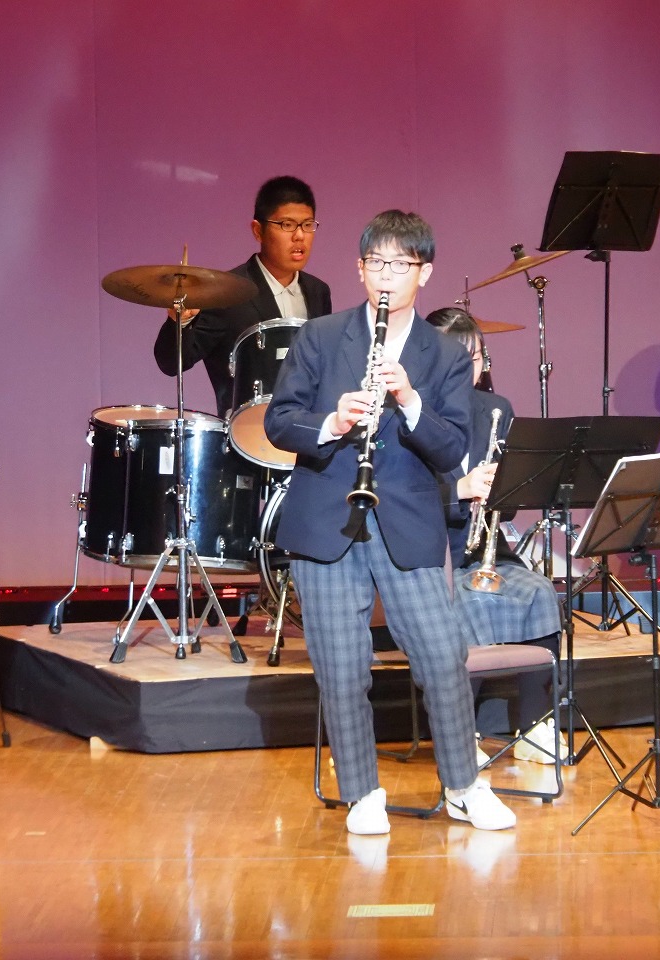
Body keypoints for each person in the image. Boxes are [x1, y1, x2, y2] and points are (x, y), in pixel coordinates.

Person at [264, 210, 516, 835]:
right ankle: (361, 793)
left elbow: (451, 447)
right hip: (326, 518)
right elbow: (279, 421)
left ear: (424, 273)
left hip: (406, 518)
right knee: (341, 666)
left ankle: (464, 786)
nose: (386, 275)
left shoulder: (445, 354)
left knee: (442, 656)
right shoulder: (321, 336)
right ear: (359, 268)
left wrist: (409, 400)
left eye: (400, 265)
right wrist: (331, 423)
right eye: (376, 263)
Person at [426, 307, 564, 765]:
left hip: (486, 550)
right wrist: (460, 490)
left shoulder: (496, 409)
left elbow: (514, 501)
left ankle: (534, 725)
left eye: (475, 358)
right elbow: (396, 499)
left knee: (540, 592)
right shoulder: (407, 415)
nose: (468, 369)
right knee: (466, 602)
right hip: (430, 554)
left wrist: (504, 490)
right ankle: (458, 732)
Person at [152, 175, 332, 415]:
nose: (299, 235)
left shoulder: (318, 291)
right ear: (258, 230)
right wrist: (180, 321)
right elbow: (171, 363)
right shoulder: (227, 292)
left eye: (307, 225)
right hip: (244, 430)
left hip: (302, 428)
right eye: (287, 225)